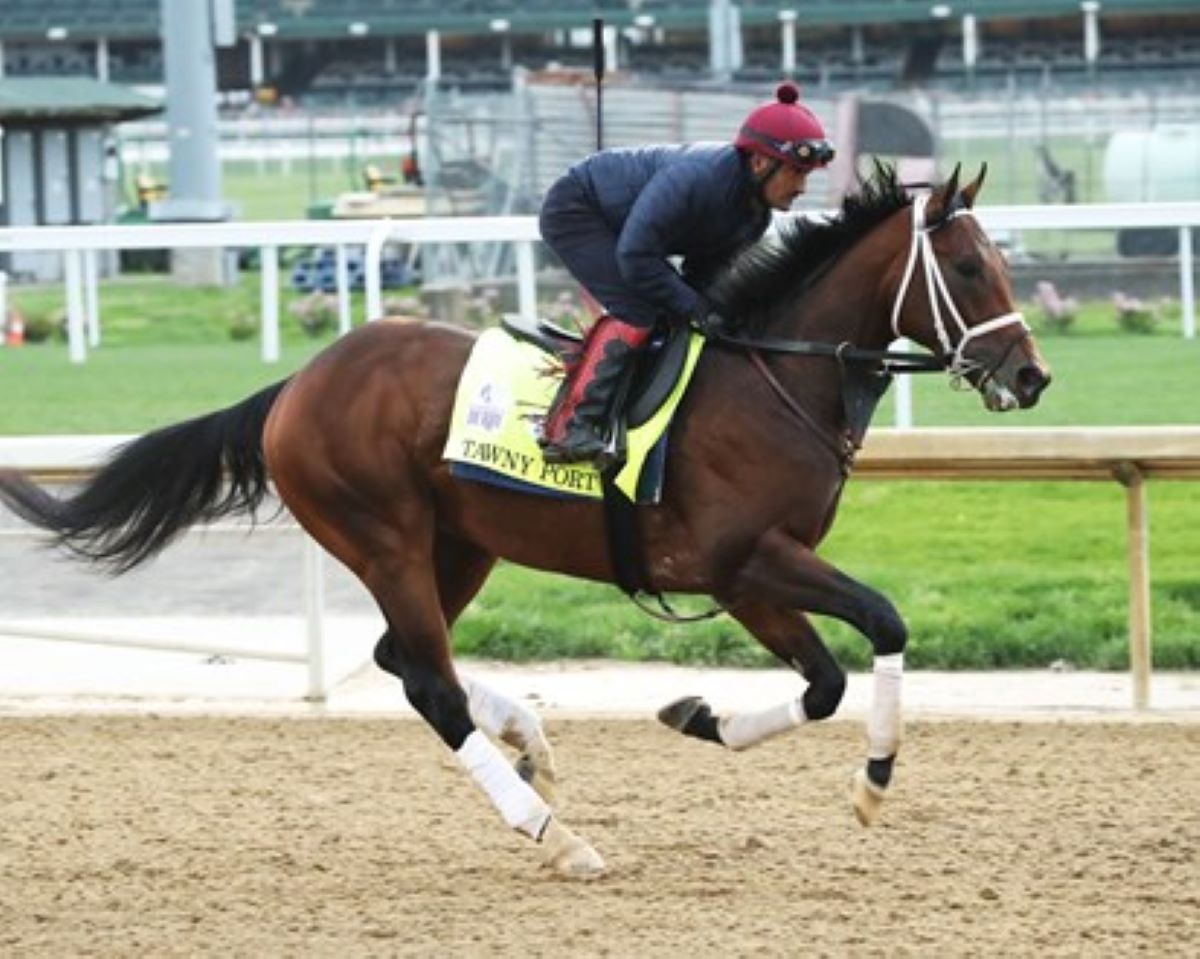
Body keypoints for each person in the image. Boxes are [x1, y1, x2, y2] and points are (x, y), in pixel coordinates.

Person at [537, 81, 835, 468]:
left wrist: (711, 311)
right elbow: (636, 256)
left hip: (630, 233)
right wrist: (695, 307)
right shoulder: (697, 180)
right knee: (639, 309)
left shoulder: (754, 216)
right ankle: (570, 428)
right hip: (578, 210)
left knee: (685, 315)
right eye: (797, 172)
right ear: (761, 163)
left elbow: (702, 275)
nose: (802, 188)